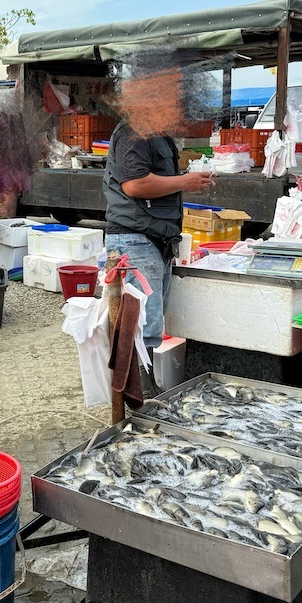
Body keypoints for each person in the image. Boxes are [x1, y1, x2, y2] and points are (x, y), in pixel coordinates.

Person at [103, 120, 213, 397]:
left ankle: (143, 393)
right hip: (135, 240)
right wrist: (185, 182)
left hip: (153, 242)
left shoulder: (159, 132)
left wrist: (186, 181)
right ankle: (140, 397)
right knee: (139, 327)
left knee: (149, 326)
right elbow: (135, 184)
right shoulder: (134, 130)